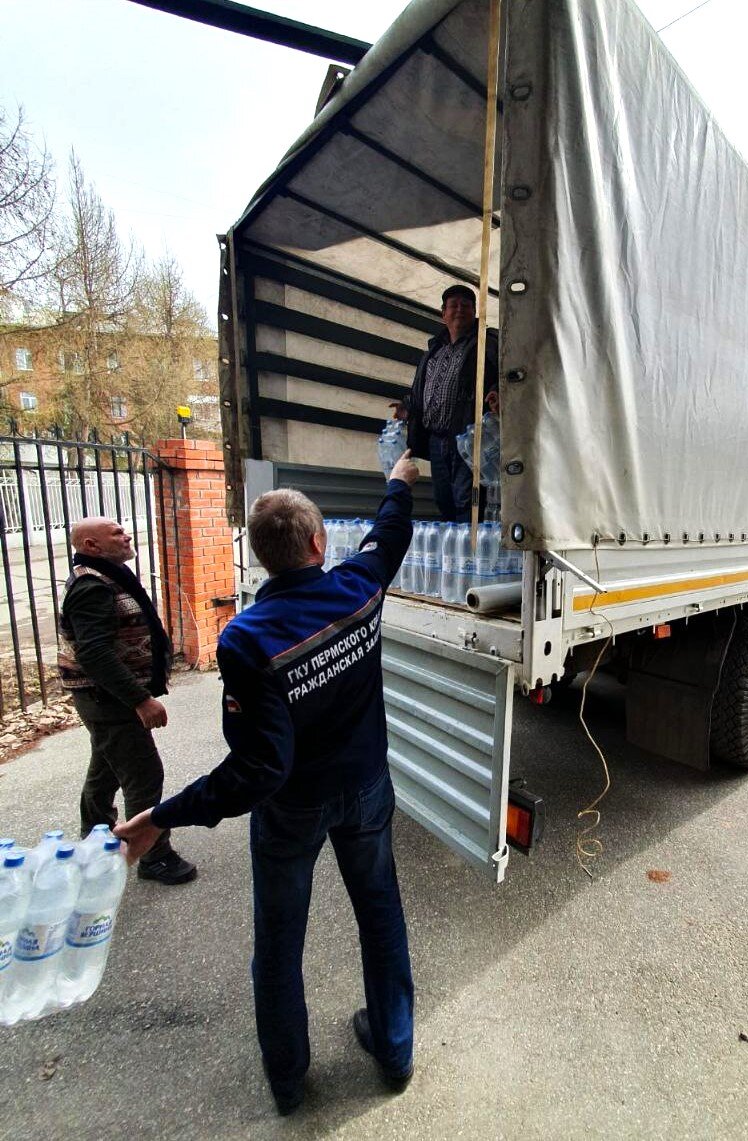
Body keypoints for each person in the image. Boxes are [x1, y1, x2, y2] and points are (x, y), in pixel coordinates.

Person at [115, 450, 420, 1117]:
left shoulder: (247, 638)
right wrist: (397, 482)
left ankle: (288, 1080)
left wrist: (163, 814)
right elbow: (389, 533)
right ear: (317, 544)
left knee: (279, 941)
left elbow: (259, 766)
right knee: (380, 914)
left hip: (292, 810)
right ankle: (394, 1049)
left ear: (261, 558)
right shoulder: (358, 586)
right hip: (365, 790)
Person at [57, 517, 196, 886]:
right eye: (116, 533)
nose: (127, 535)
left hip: (105, 698)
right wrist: (141, 700)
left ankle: (97, 835)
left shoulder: (108, 575)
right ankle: (154, 856)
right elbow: (95, 653)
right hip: (109, 700)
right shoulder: (92, 586)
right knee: (144, 774)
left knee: (105, 766)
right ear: (91, 545)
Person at [391, 284, 498, 522]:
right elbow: (421, 390)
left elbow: (505, 375)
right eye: (453, 305)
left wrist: (496, 391)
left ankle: (470, 554)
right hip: (436, 441)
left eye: (466, 305)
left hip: (468, 439)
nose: (460, 309)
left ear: (475, 312)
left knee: (467, 502)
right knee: (444, 500)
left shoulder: (487, 344)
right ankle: (454, 553)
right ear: (443, 313)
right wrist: (407, 407)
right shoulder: (434, 350)